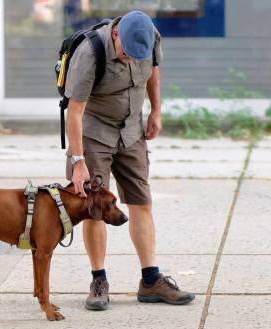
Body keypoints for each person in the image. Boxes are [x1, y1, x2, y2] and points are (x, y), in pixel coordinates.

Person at [65, 10, 195, 310]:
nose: (130, 60)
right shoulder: (91, 52)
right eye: (125, 54)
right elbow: (74, 112)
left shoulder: (150, 38)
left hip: (132, 130)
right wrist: (79, 160)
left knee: (141, 200)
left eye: (137, 56)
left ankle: (151, 281)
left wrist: (156, 111)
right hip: (94, 133)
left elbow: (155, 72)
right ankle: (99, 281)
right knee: (94, 207)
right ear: (115, 35)